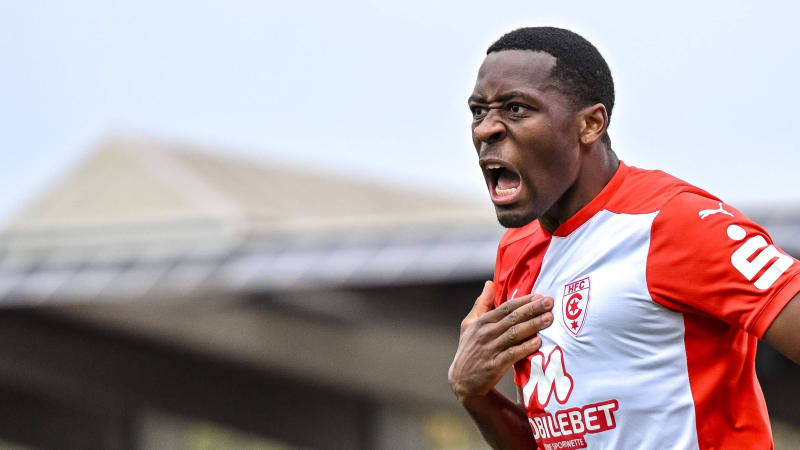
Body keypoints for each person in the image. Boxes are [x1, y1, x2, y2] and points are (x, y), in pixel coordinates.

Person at [447, 27, 800, 450]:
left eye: (516, 108)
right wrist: (476, 395)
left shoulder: (674, 221)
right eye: (478, 111)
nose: (487, 129)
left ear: (591, 124)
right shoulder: (517, 252)